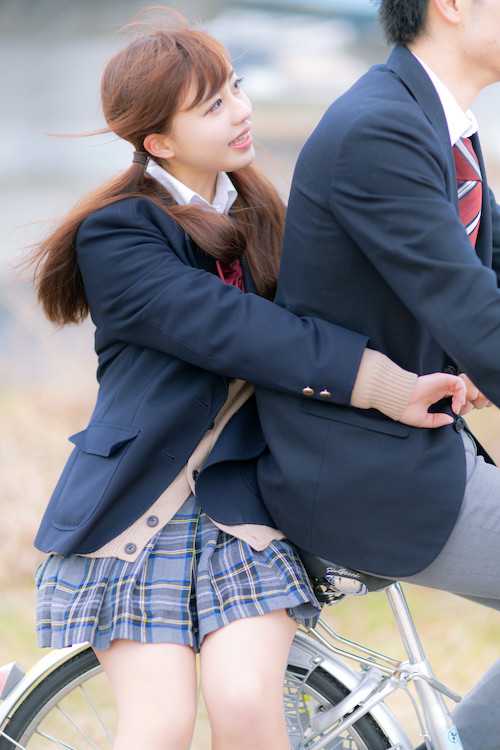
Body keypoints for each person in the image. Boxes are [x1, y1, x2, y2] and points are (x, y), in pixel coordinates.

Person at [28, 8, 466, 750]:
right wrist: (383, 384)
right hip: (135, 512)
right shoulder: (121, 234)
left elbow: (338, 309)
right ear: (159, 141)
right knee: (159, 724)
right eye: (212, 106)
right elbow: (238, 332)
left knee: (243, 705)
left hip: (243, 513)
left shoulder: (264, 215)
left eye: (235, 88)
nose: (241, 111)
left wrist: (450, 360)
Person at [255, 0, 500, 747]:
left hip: (413, 446)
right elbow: (476, 317)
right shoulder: (380, 130)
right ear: (449, 6)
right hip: (362, 470)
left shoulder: (437, 121)